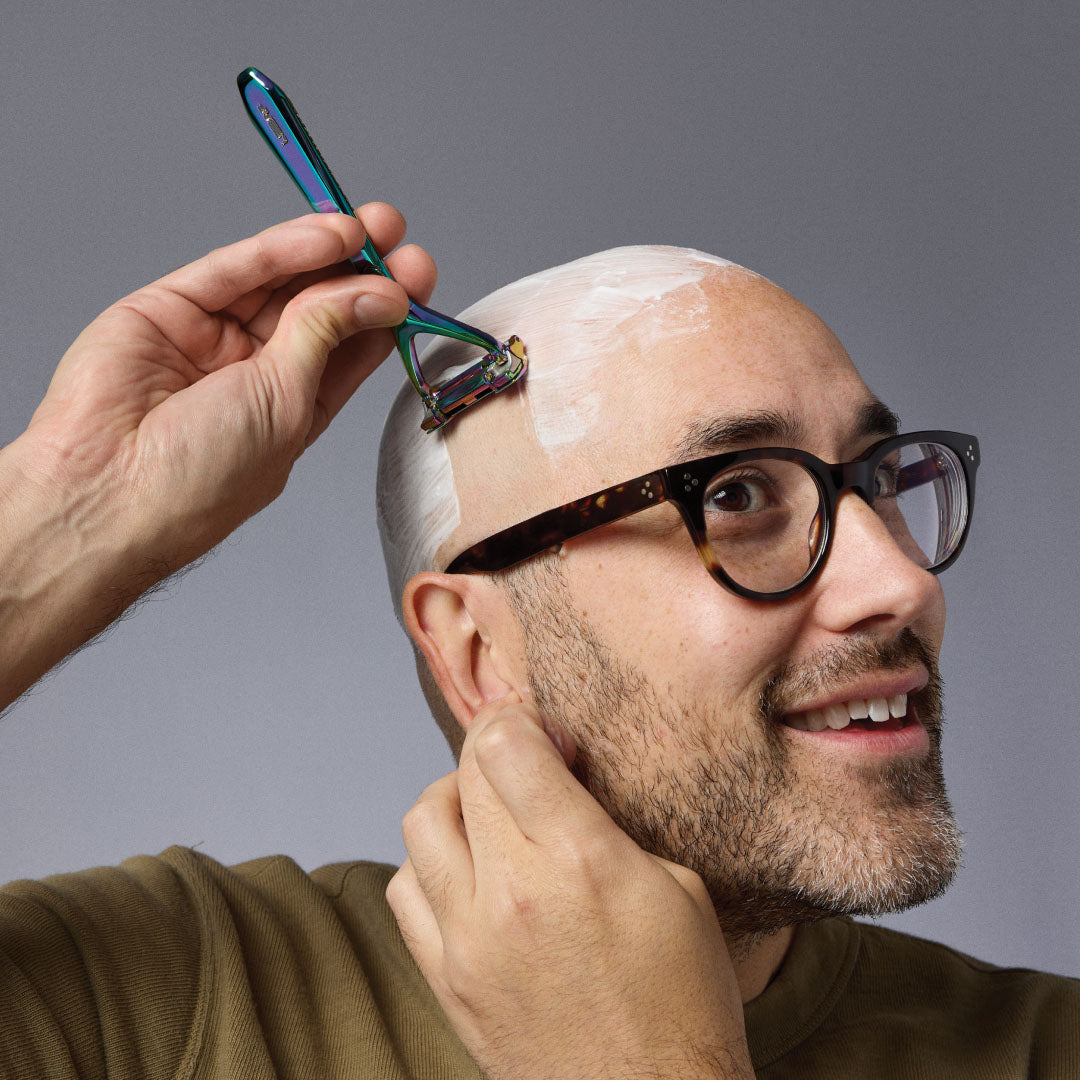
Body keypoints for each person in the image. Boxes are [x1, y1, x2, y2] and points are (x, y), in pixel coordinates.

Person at [0, 207, 1074, 1079]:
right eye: (738, 493)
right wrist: (56, 531)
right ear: (477, 651)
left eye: (878, 482)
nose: (898, 580)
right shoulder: (170, 1005)